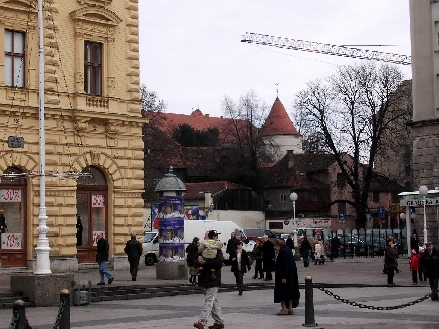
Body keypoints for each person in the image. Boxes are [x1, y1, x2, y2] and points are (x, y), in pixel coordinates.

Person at [193, 233, 225, 329]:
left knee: (209, 300)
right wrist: (198, 261)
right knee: (214, 301)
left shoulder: (217, 250)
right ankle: (219, 322)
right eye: (213, 237)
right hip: (204, 278)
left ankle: (202, 322)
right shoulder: (202, 249)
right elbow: (193, 261)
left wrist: (205, 263)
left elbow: (219, 263)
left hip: (213, 279)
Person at [273, 239, 300, 315]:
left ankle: (284, 308)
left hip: (283, 275)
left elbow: (284, 265)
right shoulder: (288, 250)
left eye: (275, 246)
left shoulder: (283, 252)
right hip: (291, 275)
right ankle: (290, 308)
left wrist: (283, 276)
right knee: (290, 292)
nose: (275, 248)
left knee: (282, 292)